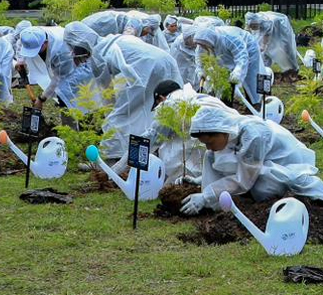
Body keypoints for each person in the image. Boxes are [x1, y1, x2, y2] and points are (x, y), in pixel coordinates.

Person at [182, 106, 323, 214]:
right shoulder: (230, 134)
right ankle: (214, 206)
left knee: (262, 186)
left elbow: (243, 180)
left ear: (221, 132)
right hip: (258, 163)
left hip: (286, 163)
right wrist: (202, 181)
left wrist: (206, 196)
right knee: (210, 156)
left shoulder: (252, 136)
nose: (208, 147)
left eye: (210, 142)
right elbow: (236, 163)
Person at [86, 32, 182, 164]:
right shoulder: (118, 38)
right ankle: (139, 157)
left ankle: (109, 158)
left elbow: (106, 91)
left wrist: (110, 113)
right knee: (151, 115)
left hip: (145, 70)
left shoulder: (98, 55)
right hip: (165, 60)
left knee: (119, 118)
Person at [147, 80, 235, 184]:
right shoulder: (202, 98)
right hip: (228, 143)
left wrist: (131, 156)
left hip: (196, 161)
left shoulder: (170, 105)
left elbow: (152, 137)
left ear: (161, 98)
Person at [16, 26, 88, 110]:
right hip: (60, 58)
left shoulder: (61, 52)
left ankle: (71, 111)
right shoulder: (29, 34)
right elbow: (21, 43)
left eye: (37, 49)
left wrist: (41, 99)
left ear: (45, 42)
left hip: (78, 64)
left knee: (67, 91)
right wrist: (20, 60)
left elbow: (58, 79)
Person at [193, 25, 265, 105]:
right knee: (224, 75)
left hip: (249, 47)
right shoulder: (203, 41)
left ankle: (254, 103)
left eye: (203, 45)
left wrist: (237, 72)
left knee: (251, 78)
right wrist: (201, 70)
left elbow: (242, 57)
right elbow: (199, 57)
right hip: (229, 52)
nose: (202, 47)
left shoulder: (229, 38)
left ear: (209, 40)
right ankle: (225, 103)